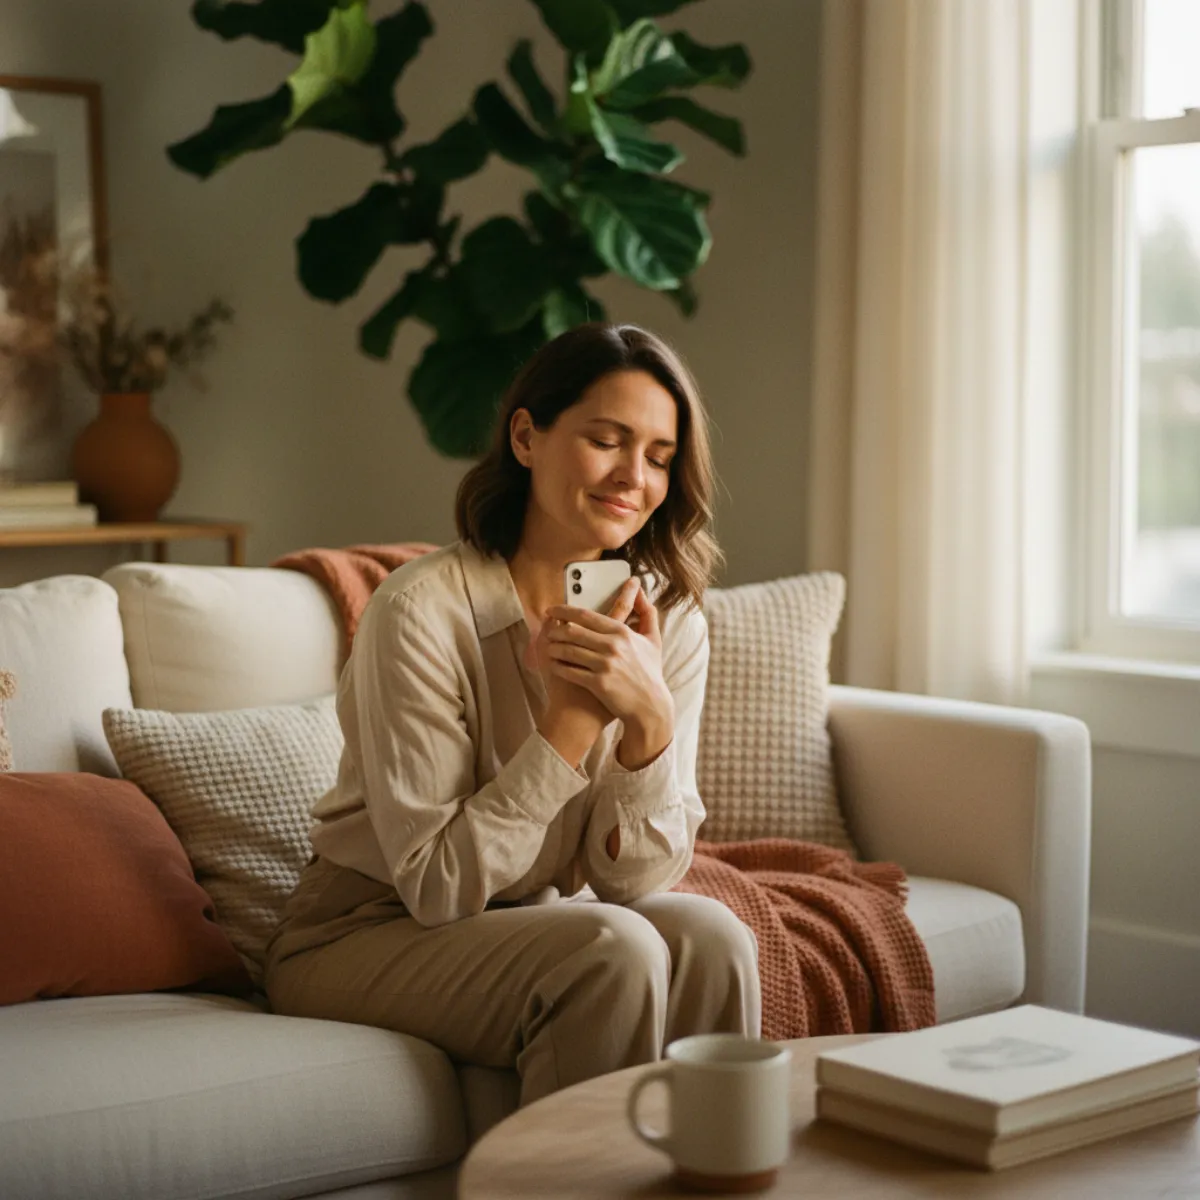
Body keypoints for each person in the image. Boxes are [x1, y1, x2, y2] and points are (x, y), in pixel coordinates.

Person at [264, 322, 761, 1107]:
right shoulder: (420, 612)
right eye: (607, 440)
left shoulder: (668, 620)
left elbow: (635, 882)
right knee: (611, 948)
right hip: (362, 931)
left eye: (661, 458)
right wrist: (569, 729)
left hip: (529, 917)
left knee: (713, 937)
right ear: (526, 436)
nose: (635, 476)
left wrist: (649, 731)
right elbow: (434, 885)